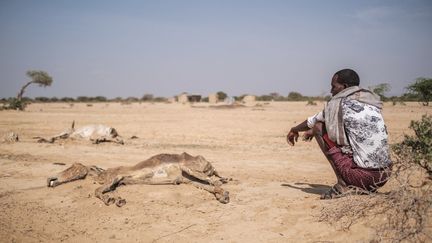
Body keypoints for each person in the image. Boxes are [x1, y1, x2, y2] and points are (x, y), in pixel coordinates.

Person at [287, 69, 392, 199]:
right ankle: (361, 186)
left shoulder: (339, 104)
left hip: (363, 177)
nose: (331, 91)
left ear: (345, 87)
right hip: (384, 175)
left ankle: (343, 184)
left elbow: (312, 121)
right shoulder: (371, 102)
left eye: (334, 86)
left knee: (318, 127)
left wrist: (294, 129)